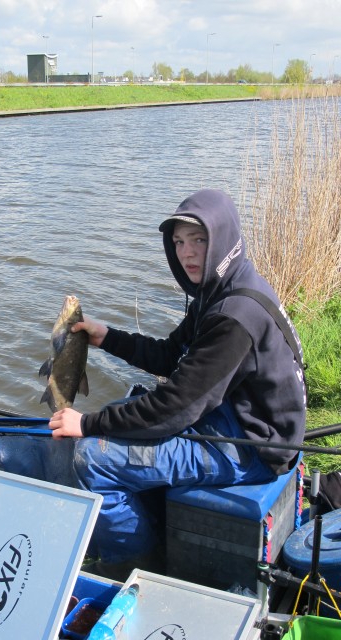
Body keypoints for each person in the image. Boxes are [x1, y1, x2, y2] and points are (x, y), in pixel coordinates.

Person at [49, 188, 306, 581]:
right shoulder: (222, 289)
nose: (187, 253)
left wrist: (86, 424)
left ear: (223, 238)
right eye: (179, 242)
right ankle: (147, 523)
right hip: (245, 414)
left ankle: (132, 564)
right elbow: (172, 355)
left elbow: (174, 408)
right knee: (119, 414)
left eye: (199, 240)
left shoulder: (234, 315)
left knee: (93, 458)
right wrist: (108, 337)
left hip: (253, 446)